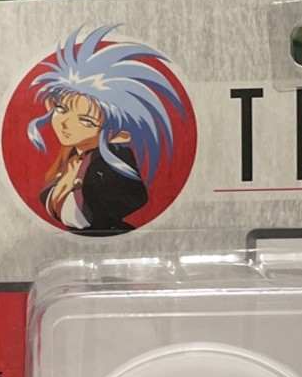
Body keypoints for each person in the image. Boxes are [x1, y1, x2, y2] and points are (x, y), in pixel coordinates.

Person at [24, 24, 192, 235]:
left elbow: (87, 215)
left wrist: (70, 184)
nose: (65, 123)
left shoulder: (114, 164)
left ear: (117, 132)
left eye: (86, 121)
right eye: (61, 109)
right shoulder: (72, 155)